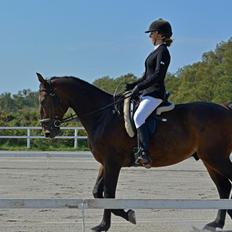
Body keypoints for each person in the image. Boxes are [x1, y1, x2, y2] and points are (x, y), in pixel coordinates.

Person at [126, 18, 173, 168]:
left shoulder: (163, 51)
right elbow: (147, 75)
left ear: (159, 34)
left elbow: (158, 75)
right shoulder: (155, 51)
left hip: (155, 94)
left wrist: (139, 88)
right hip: (147, 92)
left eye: (151, 33)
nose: (149, 36)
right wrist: (134, 84)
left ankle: (144, 152)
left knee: (138, 117)